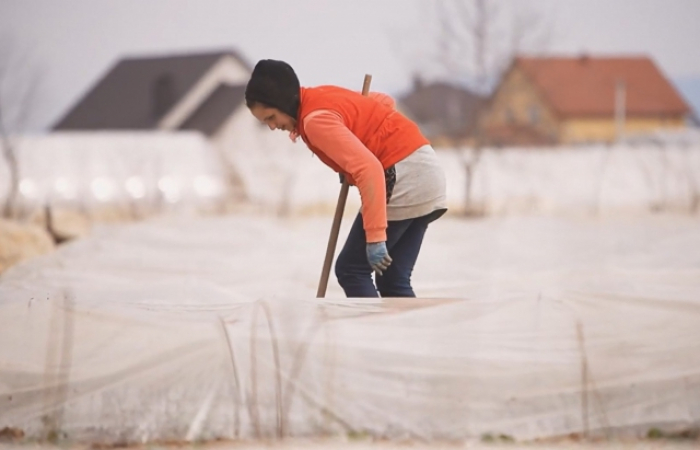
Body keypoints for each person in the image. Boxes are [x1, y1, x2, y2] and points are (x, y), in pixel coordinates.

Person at [244, 59, 446, 298]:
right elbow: (383, 101)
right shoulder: (321, 96)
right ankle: (404, 334)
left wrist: (376, 236)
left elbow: (369, 168)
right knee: (393, 279)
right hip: (428, 171)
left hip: (404, 174)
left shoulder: (314, 120)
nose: (272, 126)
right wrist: (349, 154)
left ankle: (374, 336)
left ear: (283, 102)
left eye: (271, 117)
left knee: (351, 270)